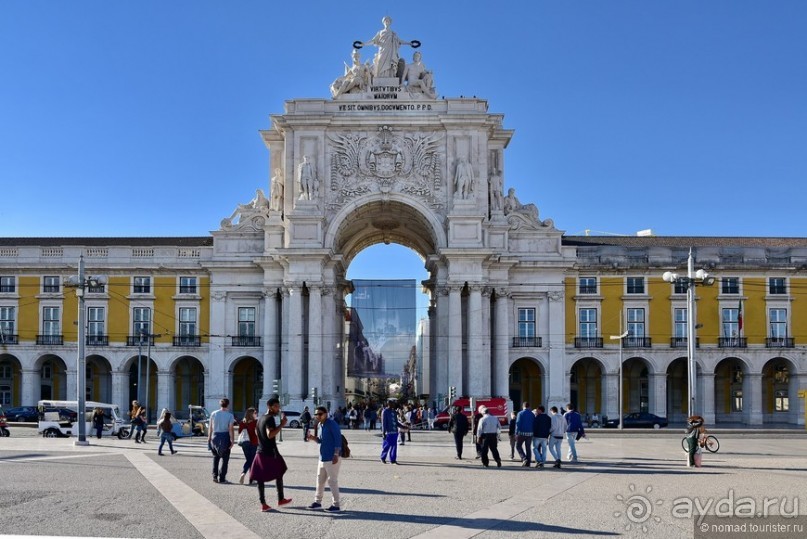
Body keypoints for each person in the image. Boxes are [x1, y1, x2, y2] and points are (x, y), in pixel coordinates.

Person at [249, 398, 292, 511]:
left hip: (260, 451)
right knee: (280, 470)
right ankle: (280, 499)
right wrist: (282, 425)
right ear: (269, 406)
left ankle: (264, 503)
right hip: (270, 452)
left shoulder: (260, 418)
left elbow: (256, 432)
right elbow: (270, 434)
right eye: (276, 406)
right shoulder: (269, 419)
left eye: (278, 406)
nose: (278, 408)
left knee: (261, 477)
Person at [307, 406, 342, 512]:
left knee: (332, 481)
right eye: (316, 414)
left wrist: (336, 454)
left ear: (326, 414)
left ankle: (336, 505)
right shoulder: (320, 425)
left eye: (320, 414)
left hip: (332, 457)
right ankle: (317, 502)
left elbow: (338, 439)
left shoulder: (332, 424)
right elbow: (321, 440)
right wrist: (313, 438)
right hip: (322, 457)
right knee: (320, 481)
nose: (318, 416)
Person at [208, 397, 236, 484]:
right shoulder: (230, 415)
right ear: (228, 405)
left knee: (215, 458)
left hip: (215, 436)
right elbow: (230, 429)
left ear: (220, 404)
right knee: (225, 459)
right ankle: (222, 477)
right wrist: (232, 440)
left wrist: (209, 438)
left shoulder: (214, 413)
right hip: (225, 436)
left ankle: (215, 476)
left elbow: (210, 427)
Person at [238, 407, 259, 485]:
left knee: (249, 460)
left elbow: (239, 432)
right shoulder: (256, 422)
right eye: (255, 413)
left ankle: (245, 474)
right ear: (252, 414)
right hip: (253, 443)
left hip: (245, 443)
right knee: (252, 460)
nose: (256, 414)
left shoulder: (243, 422)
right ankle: (250, 478)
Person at [515, 401, 535, 467]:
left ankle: (524, 458)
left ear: (523, 406)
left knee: (518, 446)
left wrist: (516, 433)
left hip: (521, 433)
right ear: (529, 406)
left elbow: (518, 424)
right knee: (528, 448)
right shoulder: (532, 414)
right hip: (530, 433)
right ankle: (528, 463)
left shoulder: (520, 413)